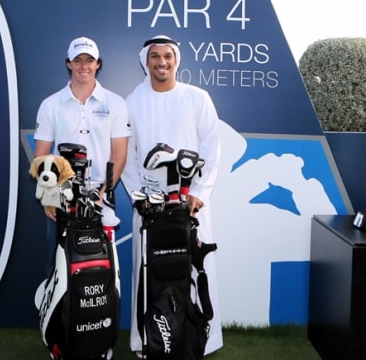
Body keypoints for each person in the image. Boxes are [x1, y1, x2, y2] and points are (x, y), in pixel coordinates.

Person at [122, 35, 223, 357]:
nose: (161, 62)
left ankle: (200, 338)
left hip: (191, 202)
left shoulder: (197, 98)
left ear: (176, 60)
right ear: (145, 61)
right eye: (155, 56)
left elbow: (212, 148)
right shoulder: (132, 102)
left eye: (167, 56)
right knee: (148, 269)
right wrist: (141, 197)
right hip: (150, 205)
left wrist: (199, 193)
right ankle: (147, 340)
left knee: (196, 267)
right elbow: (129, 156)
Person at [33, 36, 131, 273]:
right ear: (69, 63)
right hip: (62, 197)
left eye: (89, 60)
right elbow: (41, 155)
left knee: (101, 271)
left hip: (101, 196)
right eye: (78, 60)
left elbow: (119, 154)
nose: (83, 65)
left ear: (98, 64)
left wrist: (102, 193)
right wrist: (48, 196)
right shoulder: (50, 104)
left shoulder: (116, 103)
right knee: (57, 269)